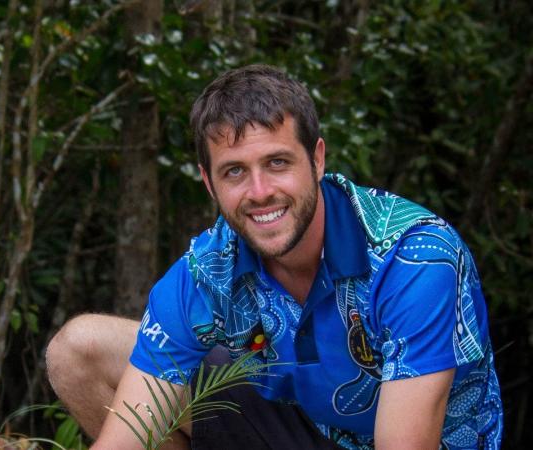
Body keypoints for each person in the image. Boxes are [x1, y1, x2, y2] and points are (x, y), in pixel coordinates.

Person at [46, 64, 503, 449]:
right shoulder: (207, 270)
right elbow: (124, 439)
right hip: (300, 425)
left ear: (317, 160)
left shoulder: (414, 258)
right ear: (209, 183)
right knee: (79, 347)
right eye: (234, 172)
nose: (260, 191)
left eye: (277, 163)